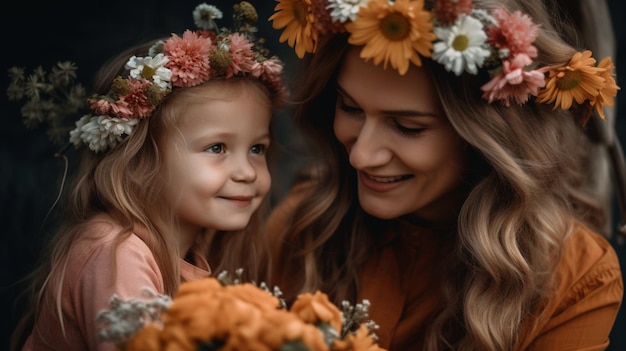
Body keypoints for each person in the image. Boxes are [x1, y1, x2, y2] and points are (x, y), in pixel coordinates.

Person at [266, 0, 623, 350]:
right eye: (350, 108)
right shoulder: (306, 226)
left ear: (485, 136)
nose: (361, 156)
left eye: (407, 127)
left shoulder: (575, 277)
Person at [8, 2, 286, 350]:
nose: (247, 172)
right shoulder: (115, 253)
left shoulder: (197, 252)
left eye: (257, 149)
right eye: (217, 148)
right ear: (140, 160)